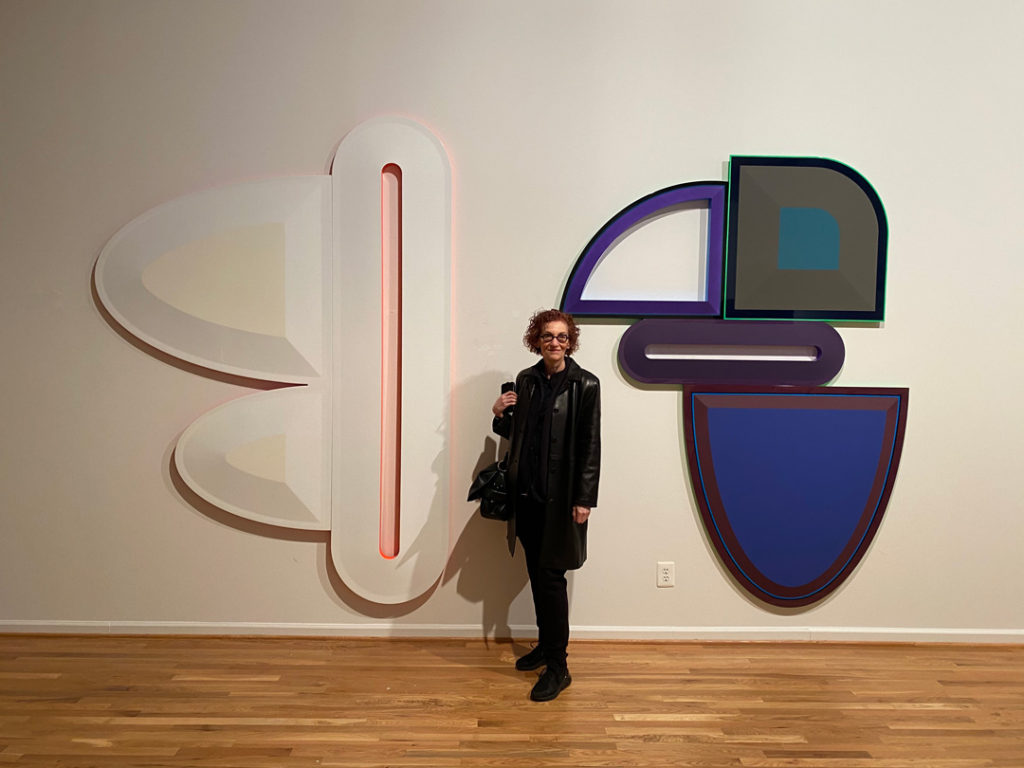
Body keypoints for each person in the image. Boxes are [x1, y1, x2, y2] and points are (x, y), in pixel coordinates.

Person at [491, 308, 601, 701]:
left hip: (562, 501)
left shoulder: (585, 384)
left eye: (562, 337)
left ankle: (559, 666)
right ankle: (545, 645)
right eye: (547, 336)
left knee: (551, 581)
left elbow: (590, 445)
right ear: (535, 340)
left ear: (570, 341)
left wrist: (584, 499)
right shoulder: (527, 380)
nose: (555, 343)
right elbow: (518, 434)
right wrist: (499, 413)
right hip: (528, 498)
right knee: (538, 578)